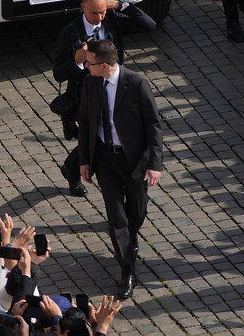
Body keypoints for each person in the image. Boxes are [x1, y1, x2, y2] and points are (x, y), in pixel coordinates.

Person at [76, 38, 163, 299]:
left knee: (136, 212)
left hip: (134, 161)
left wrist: (155, 164)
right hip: (104, 159)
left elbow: (153, 125)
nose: (85, 66)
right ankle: (127, 271)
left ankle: (130, 239)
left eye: (89, 63)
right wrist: (84, 160)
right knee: (117, 218)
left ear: (104, 65)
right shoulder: (91, 81)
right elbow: (85, 121)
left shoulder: (136, 84)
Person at [52, 0, 156, 196]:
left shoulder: (111, 20)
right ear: (83, 8)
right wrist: (77, 62)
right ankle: (75, 171)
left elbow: (149, 24)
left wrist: (119, 5)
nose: (99, 17)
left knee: (101, 138)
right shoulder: (70, 33)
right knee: (95, 139)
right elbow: (58, 73)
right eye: (94, 13)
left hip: (116, 91)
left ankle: (70, 167)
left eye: (103, 12)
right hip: (87, 97)